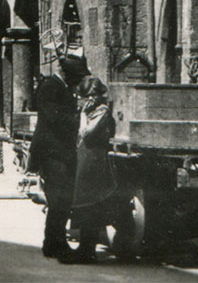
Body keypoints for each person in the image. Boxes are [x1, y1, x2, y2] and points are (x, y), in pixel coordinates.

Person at [27, 53, 87, 260]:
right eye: (76, 77)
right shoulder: (50, 87)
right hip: (52, 152)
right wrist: (81, 119)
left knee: (61, 200)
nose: (78, 81)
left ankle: (52, 244)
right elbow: (55, 118)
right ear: (65, 73)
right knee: (59, 200)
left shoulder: (60, 87)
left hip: (58, 152)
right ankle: (56, 245)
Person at [63, 75, 117, 264]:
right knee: (84, 206)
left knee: (90, 206)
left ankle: (88, 252)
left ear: (94, 96)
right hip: (86, 160)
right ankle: (85, 249)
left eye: (86, 97)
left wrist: (83, 116)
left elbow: (87, 132)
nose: (84, 101)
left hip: (95, 162)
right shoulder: (93, 110)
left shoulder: (101, 112)